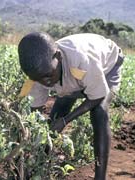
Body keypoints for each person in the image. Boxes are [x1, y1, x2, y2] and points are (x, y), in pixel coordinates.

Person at [18, 32, 124, 180]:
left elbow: (97, 95)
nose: (46, 82)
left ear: (59, 57)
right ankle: (39, 165)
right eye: (39, 79)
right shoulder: (38, 74)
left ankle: (100, 177)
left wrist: (65, 121)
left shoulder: (81, 62)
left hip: (107, 67)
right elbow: (33, 115)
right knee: (54, 118)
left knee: (99, 111)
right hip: (73, 77)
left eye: (49, 75)